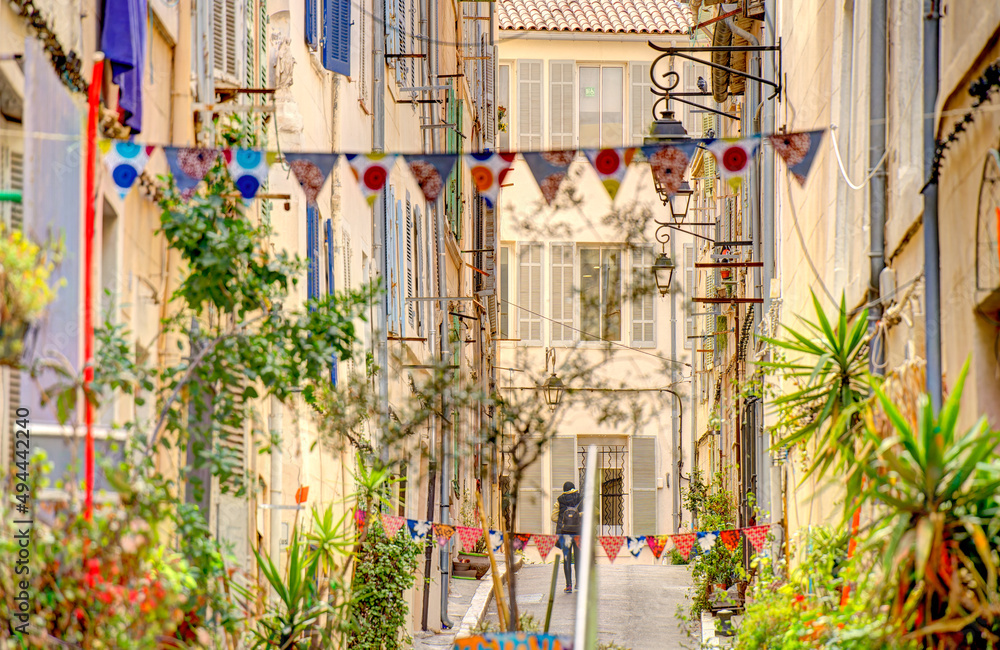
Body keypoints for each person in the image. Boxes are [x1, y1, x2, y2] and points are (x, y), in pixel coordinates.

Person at [551, 480, 581, 593]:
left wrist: (564, 519)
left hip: (565, 534)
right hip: (578, 533)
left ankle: (568, 585)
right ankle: (578, 584)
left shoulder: (560, 500)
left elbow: (553, 517)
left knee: (567, 559)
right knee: (578, 559)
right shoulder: (580, 498)